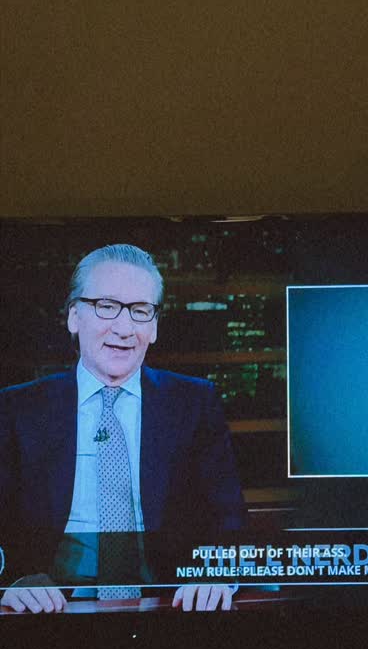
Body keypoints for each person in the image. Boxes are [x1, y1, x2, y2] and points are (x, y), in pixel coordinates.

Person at [0, 243, 246, 612]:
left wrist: (214, 573)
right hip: (50, 612)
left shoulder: (192, 403)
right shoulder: (18, 408)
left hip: (168, 606)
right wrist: (13, 582)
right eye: (107, 306)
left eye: (140, 311)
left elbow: (228, 518)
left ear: (155, 326)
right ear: (73, 317)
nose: (124, 328)